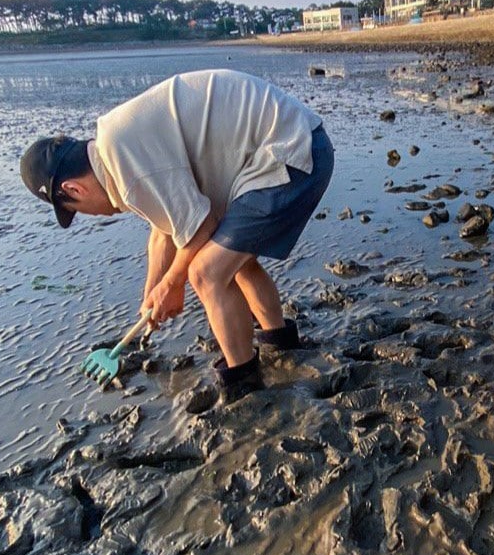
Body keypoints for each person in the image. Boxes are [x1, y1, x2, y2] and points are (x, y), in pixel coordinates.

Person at [20, 69, 333, 399]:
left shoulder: (125, 162)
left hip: (292, 151)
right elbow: (164, 231)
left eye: (77, 210)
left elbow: (200, 227)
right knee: (232, 261)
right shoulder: (117, 147)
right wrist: (152, 293)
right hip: (286, 145)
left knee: (206, 273)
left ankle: (244, 388)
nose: (90, 214)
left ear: (72, 189)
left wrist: (172, 283)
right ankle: (281, 344)